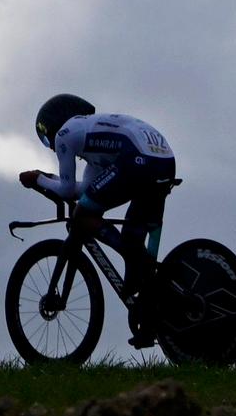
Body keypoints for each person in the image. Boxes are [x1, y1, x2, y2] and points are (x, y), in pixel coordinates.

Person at [21, 93, 175, 347]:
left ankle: (134, 259)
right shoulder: (96, 149)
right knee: (132, 239)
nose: (50, 145)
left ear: (52, 125)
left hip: (136, 161)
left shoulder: (65, 134)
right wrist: (50, 179)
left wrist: (37, 178)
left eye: (45, 138)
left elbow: (69, 192)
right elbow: (86, 189)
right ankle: (149, 311)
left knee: (82, 215)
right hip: (161, 161)